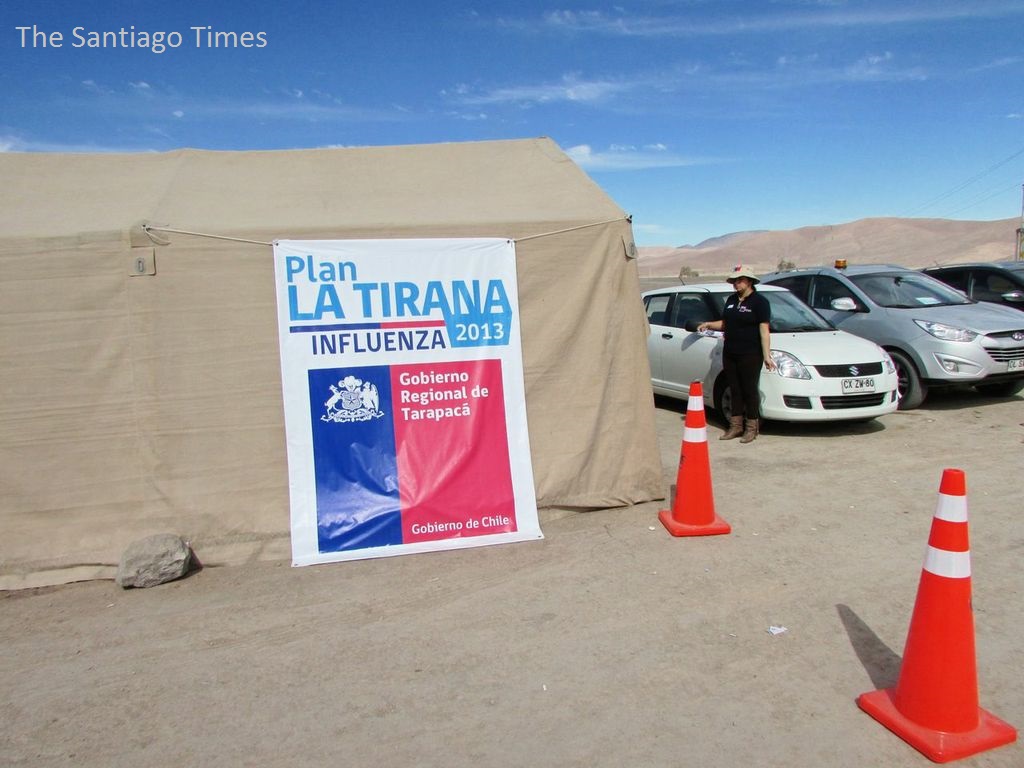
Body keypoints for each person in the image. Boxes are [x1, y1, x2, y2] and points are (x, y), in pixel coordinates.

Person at [697, 265, 775, 443]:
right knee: (735, 389)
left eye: (739, 280)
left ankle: (751, 428)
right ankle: (735, 426)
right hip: (730, 352)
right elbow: (726, 323)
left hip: (750, 353)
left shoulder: (760, 302)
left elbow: (764, 330)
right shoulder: (731, 300)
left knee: (749, 390)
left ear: (749, 281)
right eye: (734, 281)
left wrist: (766, 356)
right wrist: (709, 324)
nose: (736, 284)